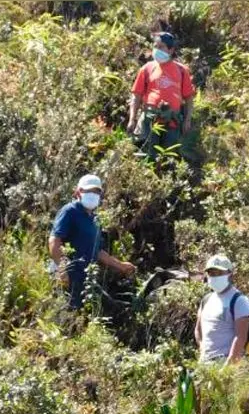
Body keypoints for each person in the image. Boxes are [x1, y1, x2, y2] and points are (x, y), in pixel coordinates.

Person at [48, 174, 136, 309]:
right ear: (78, 192)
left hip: (86, 278)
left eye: (96, 192)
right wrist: (62, 269)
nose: (92, 195)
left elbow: (97, 251)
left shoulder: (95, 220)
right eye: (88, 191)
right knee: (68, 314)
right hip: (68, 276)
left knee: (110, 309)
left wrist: (121, 266)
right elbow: (54, 240)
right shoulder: (70, 211)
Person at [127, 32, 196, 160]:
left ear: (171, 50)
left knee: (168, 155)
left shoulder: (182, 71)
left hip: (172, 120)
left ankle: (163, 177)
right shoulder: (147, 69)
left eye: (161, 47)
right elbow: (136, 96)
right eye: (155, 46)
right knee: (145, 152)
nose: (157, 50)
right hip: (149, 118)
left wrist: (187, 120)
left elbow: (188, 98)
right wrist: (132, 118)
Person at [194, 255, 249, 365]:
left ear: (230, 275)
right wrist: (202, 349)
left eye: (220, 273)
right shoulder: (206, 300)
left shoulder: (239, 301)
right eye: (212, 273)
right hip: (205, 364)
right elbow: (198, 330)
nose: (215, 277)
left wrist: (228, 368)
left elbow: (241, 337)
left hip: (226, 363)